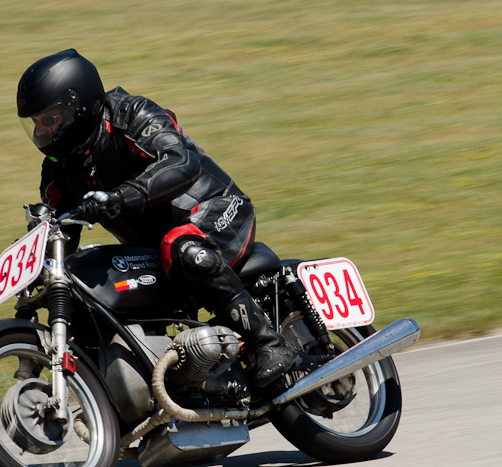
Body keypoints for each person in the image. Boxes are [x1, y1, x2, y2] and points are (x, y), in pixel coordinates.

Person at [16, 49, 296, 388]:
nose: (43, 131)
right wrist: (28, 261)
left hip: (217, 211)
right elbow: (62, 231)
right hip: (153, 246)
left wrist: (122, 196)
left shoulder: (131, 114)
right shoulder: (59, 168)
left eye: (50, 119)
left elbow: (181, 161)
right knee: (81, 284)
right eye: (36, 123)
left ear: (80, 107)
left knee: (184, 250)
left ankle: (268, 343)